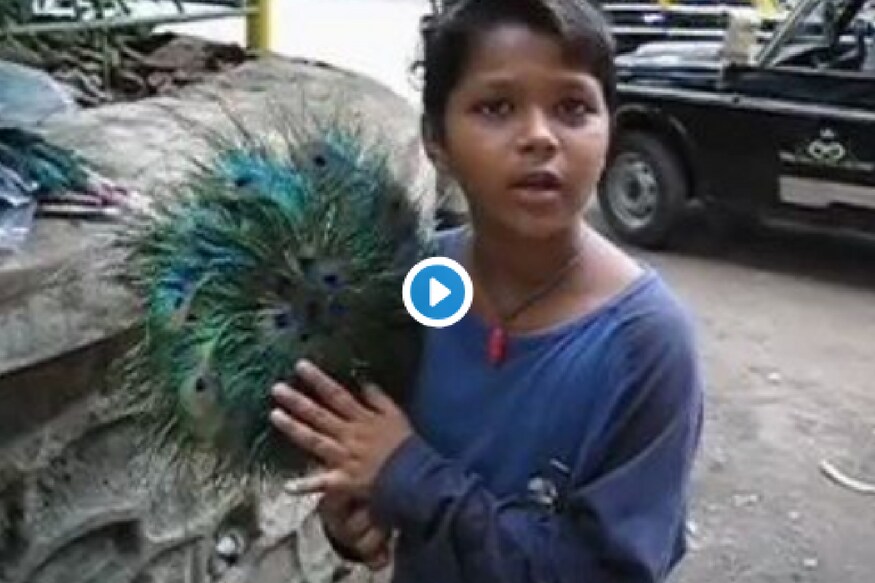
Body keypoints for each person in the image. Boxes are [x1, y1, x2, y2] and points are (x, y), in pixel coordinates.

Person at [268, 0, 705, 581]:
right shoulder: (424, 285)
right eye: (496, 108)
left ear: (608, 133)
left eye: (573, 108)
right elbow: (379, 468)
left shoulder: (645, 343)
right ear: (435, 139)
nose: (539, 137)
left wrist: (407, 475)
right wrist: (353, 521)